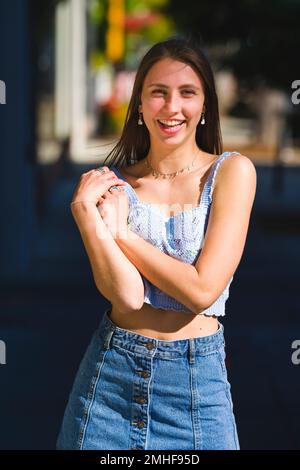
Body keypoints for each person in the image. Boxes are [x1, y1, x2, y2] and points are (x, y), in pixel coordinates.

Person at [56, 36, 256, 450]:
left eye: (187, 92)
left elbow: (202, 289)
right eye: (158, 93)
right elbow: (128, 297)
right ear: (140, 105)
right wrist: (84, 214)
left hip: (197, 384)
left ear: (204, 105)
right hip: (110, 381)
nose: (171, 107)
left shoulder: (232, 173)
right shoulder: (114, 186)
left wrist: (123, 234)